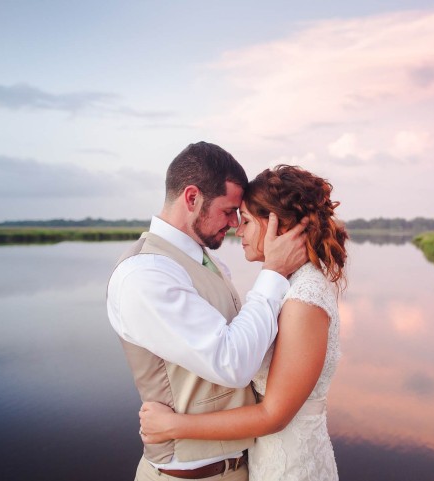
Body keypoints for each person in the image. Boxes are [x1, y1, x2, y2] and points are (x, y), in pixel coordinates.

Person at [107, 142, 309, 481]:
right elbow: (232, 364)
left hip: (239, 466)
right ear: (191, 198)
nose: (233, 223)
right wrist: (273, 273)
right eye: (229, 210)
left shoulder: (204, 259)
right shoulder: (144, 274)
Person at [139, 165, 348, 481]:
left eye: (247, 221)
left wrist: (173, 426)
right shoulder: (286, 284)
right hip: (268, 456)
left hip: (291, 467)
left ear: (279, 226)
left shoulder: (305, 297)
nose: (238, 230)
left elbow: (273, 415)